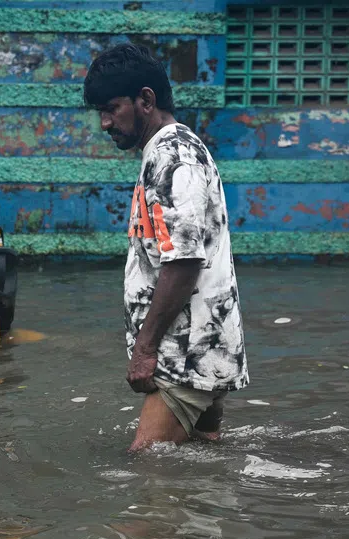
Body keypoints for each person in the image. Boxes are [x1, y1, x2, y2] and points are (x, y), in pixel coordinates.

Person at [82, 44, 249, 452]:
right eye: (100, 112)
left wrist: (144, 349)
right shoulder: (169, 151)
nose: (105, 123)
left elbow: (184, 261)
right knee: (201, 459)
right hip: (199, 345)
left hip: (184, 353)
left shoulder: (174, 158)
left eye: (112, 108)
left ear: (146, 100)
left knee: (147, 467)